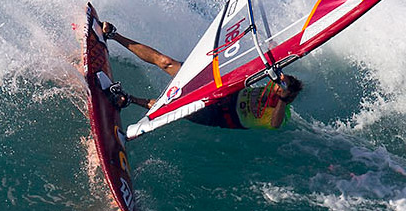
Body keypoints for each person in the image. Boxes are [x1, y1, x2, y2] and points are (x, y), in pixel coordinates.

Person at [98, 21, 303, 130]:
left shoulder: (281, 114)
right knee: (167, 63)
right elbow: (274, 68)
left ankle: (126, 98)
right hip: (222, 89)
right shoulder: (275, 83)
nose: (276, 89)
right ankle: (113, 34)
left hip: (218, 115)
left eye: (281, 91)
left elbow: (274, 124)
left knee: (172, 107)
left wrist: (282, 99)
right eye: (278, 86)